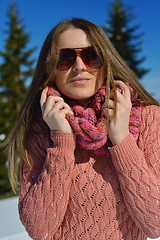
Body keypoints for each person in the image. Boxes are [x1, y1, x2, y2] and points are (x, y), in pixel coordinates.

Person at [7, 18, 160, 240]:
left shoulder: (148, 119)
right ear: (49, 69)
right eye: (65, 58)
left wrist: (122, 140)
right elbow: (39, 230)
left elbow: (155, 223)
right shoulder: (40, 129)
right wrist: (61, 143)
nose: (79, 66)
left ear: (107, 61)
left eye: (92, 56)